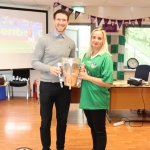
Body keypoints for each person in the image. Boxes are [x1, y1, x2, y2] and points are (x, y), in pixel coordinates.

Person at [31, 9, 75, 150]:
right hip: (47, 86)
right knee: (46, 121)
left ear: (67, 22)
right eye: (59, 20)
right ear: (54, 21)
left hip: (64, 88)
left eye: (64, 20)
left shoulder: (71, 43)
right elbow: (34, 62)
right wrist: (49, 68)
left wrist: (74, 70)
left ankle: (60, 147)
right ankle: (46, 148)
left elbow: (72, 63)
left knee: (62, 121)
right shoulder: (44, 40)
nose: (61, 23)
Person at [78, 27, 113, 150]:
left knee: (99, 130)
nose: (96, 40)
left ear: (103, 41)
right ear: (90, 39)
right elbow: (83, 74)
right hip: (86, 96)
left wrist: (87, 76)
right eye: (94, 37)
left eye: (99, 38)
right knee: (92, 126)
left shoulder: (106, 57)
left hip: (98, 98)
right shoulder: (86, 56)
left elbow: (108, 82)